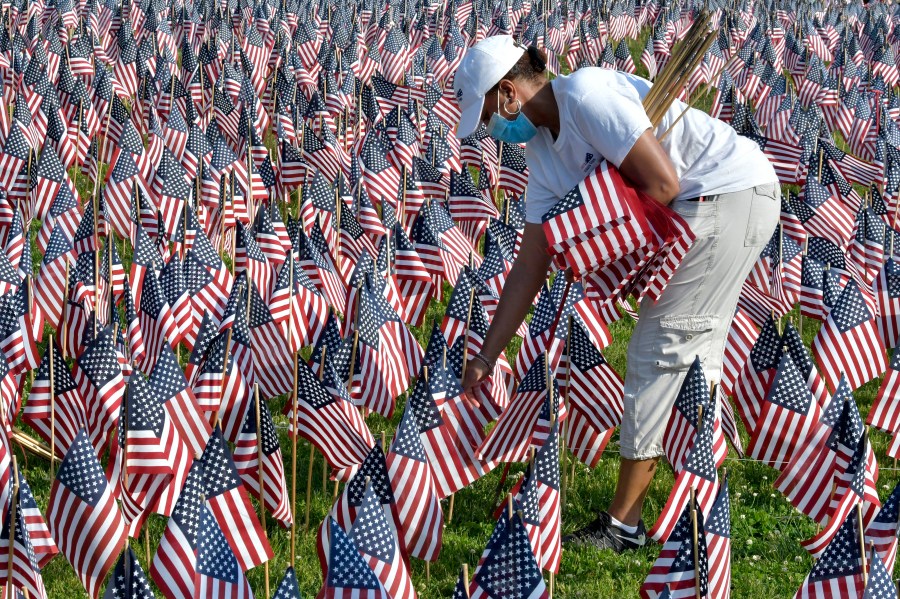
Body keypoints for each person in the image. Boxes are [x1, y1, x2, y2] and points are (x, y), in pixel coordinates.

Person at [453, 35, 780, 553]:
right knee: (689, 355)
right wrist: (488, 355)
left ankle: (623, 526)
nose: (492, 130)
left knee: (660, 350)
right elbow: (530, 263)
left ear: (510, 93)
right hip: (702, 208)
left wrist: (594, 220)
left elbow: (662, 184)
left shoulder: (585, 96)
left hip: (725, 193)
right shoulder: (542, 152)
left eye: (489, 113)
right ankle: (696, 497)